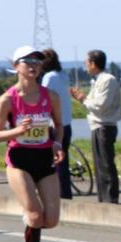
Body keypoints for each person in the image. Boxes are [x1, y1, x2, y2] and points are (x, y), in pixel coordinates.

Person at [0, 46, 65, 242]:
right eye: (27, 61)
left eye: (37, 61)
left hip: (44, 159)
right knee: (36, 216)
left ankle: (31, 220)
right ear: (16, 67)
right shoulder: (7, 100)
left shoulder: (50, 96)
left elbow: (60, 125)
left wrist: (57, 144)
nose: (33, 65)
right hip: (18, 160)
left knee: (50, 220)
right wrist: (17, 130)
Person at [70, 50, 121, 203]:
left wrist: (83, 98)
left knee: (106, 164)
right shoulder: (98, 80)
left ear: (93, 63)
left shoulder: (107, 80)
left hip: (105, 125)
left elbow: (101, 105)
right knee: (100, 165)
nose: (86, 66)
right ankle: (103, 197)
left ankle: (110, 198)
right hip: (98, 125)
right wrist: (83, 99)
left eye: (87, 63)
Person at [40, 50, 74, 199]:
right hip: (66, 123)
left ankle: (57, 192)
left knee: (53, 161)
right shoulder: (63, 75)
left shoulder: (49, 77)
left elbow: (43, 97)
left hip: (53, 124)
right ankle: (65, 191)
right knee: (63, 160)